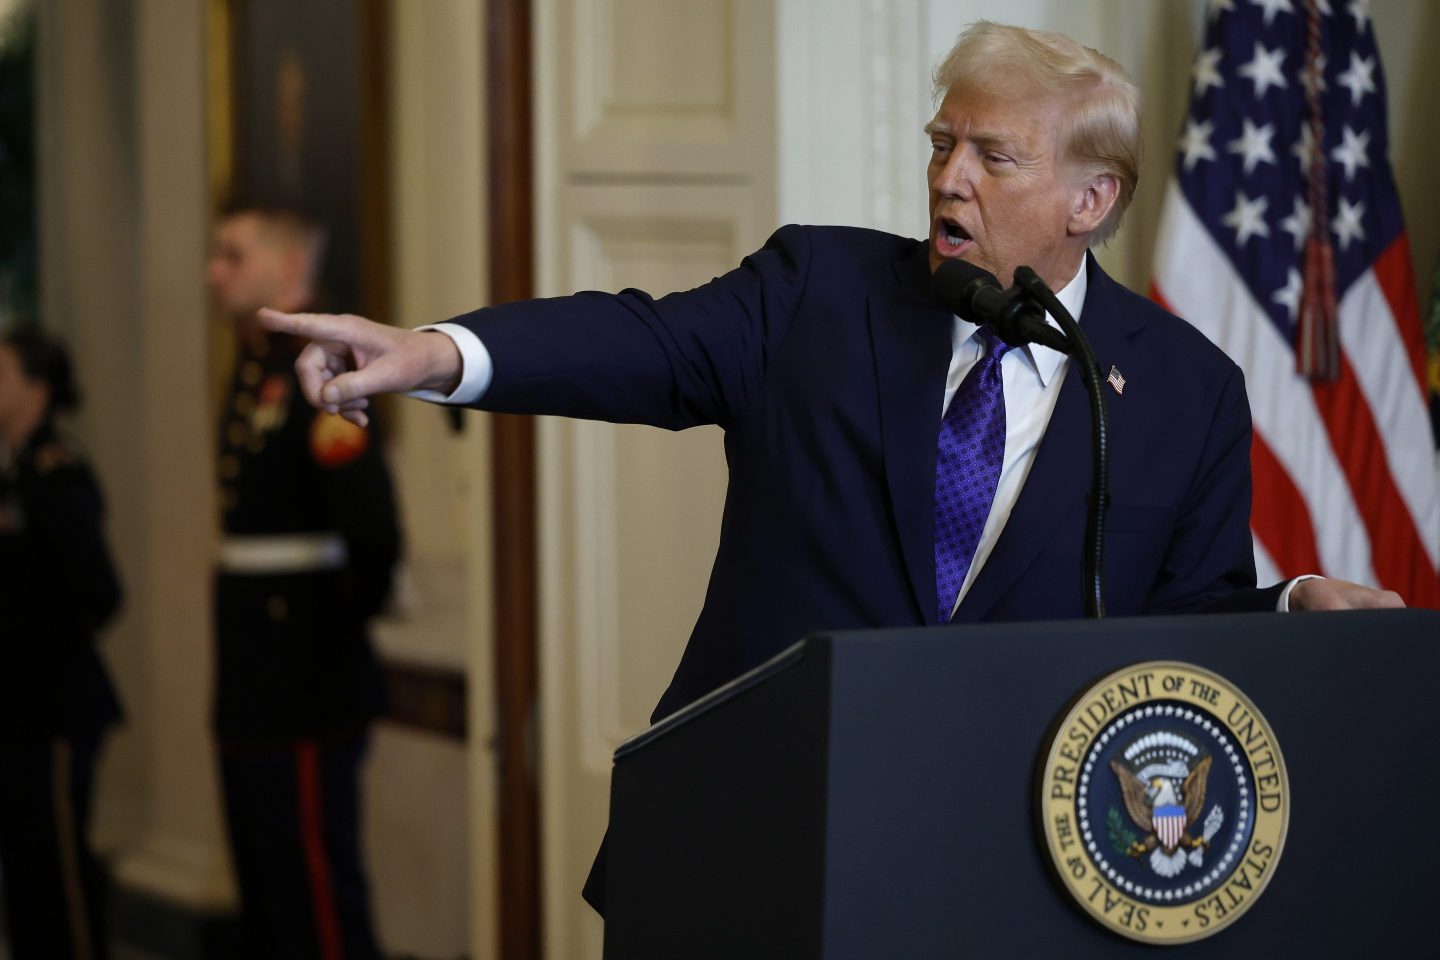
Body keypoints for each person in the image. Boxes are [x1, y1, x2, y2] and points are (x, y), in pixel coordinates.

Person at [258, 22, 1403, 910]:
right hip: (752, 844)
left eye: (992, 156)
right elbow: (641, 343)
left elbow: (1181, 624)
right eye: (941, 144)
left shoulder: (1184, 387)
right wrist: (435, 353)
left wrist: (1292, 603)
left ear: (1089, 201)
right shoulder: (820, 292)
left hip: (1005, 873)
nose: (949, 178)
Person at [206, 201, 401, 957]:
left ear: (289, 268)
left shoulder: (321, 368)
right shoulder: (255, 364)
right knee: (267, 894)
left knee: (316, 901)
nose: (213, 272)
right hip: (256, 669)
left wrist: (331, 635)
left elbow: (374, 532)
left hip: (304, 669)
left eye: (231, 255)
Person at [0, 329, 123, 959]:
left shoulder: (56, 472)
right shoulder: (16, 471)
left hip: (53, 706)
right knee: (24, 880)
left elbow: (100, 591)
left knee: (59, 877)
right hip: (17, 711)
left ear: (37, 387)